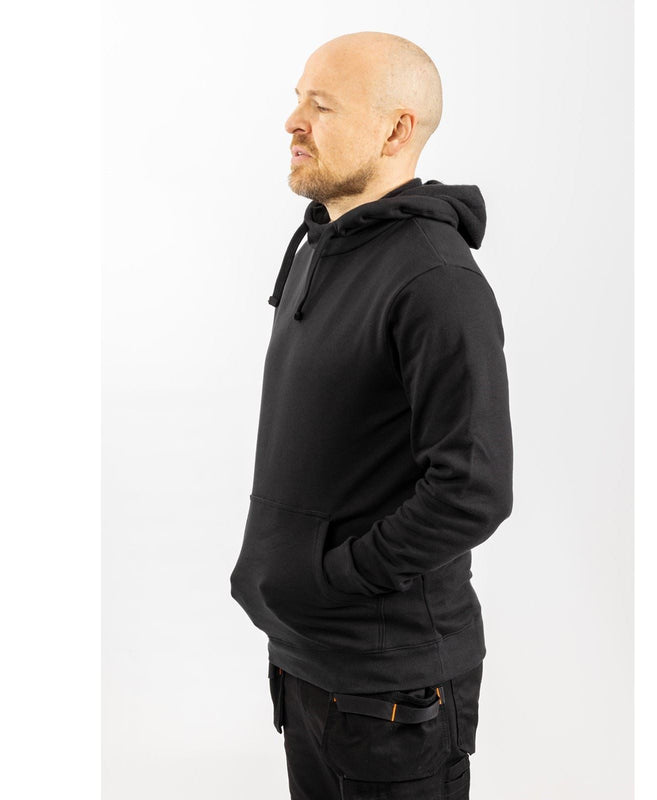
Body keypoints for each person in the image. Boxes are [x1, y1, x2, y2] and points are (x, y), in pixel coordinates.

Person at [230, 30, 514, 800]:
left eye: (321, 106)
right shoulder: (317, 249)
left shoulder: (437, 280)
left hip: (392, 693)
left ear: (396, 131)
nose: (293, 122)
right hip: (306, 662)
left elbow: (473, 489)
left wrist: (333, 578)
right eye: (298, 100)